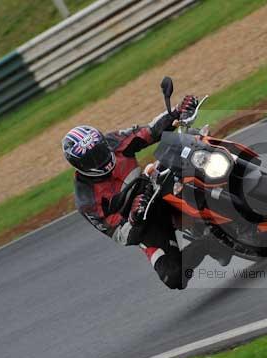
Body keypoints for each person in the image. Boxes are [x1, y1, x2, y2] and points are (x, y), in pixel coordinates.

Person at [62, 95, 231, 290]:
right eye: (92, 160)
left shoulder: (113, 141)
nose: (101, 159)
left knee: (194, 152)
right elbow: (119, 234)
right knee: (174, 277)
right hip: (144, 223)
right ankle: (209, 244)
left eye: (100, 151)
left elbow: (149, 131)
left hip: (156, 183)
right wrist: (134, 217)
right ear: (79, 166)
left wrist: (176, 112)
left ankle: (230, 185)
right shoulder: (87, 200)